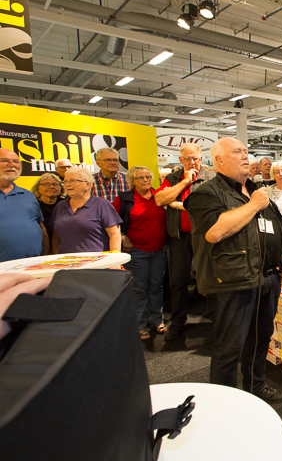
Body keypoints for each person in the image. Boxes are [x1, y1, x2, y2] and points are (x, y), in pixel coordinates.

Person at [184, 138, 282, 403]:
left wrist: (281, 254)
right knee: (229, 348)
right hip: (233, 282)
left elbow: (273, 227)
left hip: (267, 277)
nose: (245, 156)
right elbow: (215, 231)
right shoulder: (206, 193)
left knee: (260, 339)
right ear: (219, 160)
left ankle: (256, 386)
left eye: (246, 151)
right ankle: (225, 403)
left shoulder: (255, 190)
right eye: (237, 152)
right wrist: (253, 205)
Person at [154, 143, 217, 341]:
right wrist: (184, 182)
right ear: (180, 160)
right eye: (188, 159)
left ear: (201, 158)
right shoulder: (172, 178)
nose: (192, 162)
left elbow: (209, 206)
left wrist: (179, 205)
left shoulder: (210, 178)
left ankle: (215, 320)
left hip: (204, 237)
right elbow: (160, 200)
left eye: (195, 158)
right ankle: (178, 322)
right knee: (178, 281)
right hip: (179, 237)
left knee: (209, 278)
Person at [114, 166, 167, 340]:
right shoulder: (124, 199)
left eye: (148, 177)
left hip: (159, 249)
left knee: (156, 286)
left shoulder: (160, 196)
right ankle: (139, 325)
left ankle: (157, 320)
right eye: (140, 177)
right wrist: (123, 237)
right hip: (136, 250)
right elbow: (112, 223)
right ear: (132, 181)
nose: (145, 180)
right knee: (139, 288)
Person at [51, 167, 121, 254]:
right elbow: (56, 236)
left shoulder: (102, 204)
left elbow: (114, 235)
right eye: (65, 181)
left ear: (88, 184)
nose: (68, 184)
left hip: (97, 260)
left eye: (73, 181)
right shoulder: (60, 206)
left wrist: (114, 259)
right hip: (66, 260)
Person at [0, 148, 48, 262]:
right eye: (5, 160)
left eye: (16, 161)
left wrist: (47, 251)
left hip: (33, 264)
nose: (12, 165)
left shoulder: (28, 195)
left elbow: (40, 226)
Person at [30, 172, 64, 248]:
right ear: (37, 188)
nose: (51, 187)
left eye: (55, 184)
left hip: (63, 247)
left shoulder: (67, 205)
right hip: (38, 247)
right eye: (46, 184)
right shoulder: (31, 206)